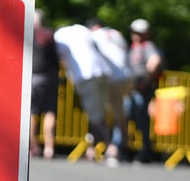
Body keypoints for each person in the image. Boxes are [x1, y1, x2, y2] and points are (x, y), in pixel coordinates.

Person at [54, 24, 119, 164]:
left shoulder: (59, 35)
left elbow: (59, 57)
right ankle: (92, 149)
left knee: (95, 115)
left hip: (85, 75)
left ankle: (111, 147)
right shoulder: (81, 29)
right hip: (102, 71)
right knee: (99, 112)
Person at [87, 18, 134, 161]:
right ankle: (125, 147)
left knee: (98, 112)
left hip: (110, 78)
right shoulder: (116, 33)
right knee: (119, 113)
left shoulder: (94, 35)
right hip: (127, 77)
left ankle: (105, 148)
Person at [125, 18, 163, 163]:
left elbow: (155, 61)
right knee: (125, 117)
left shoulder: (148, 46)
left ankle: (145, 152)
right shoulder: (132, 47)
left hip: (141, 89)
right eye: (135, 32)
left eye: (140, 33)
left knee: (141, 120)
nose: (137, 35)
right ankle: (123, 149)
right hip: (130, 88)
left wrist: (145, 81)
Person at [30, 9, 59, 159]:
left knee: (32, 112)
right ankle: (49, 148)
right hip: (50, 76)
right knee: (50, 112)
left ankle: (33, 147)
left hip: (33, 76)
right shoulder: (49, 34)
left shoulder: (27, 32)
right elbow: (56, 57)